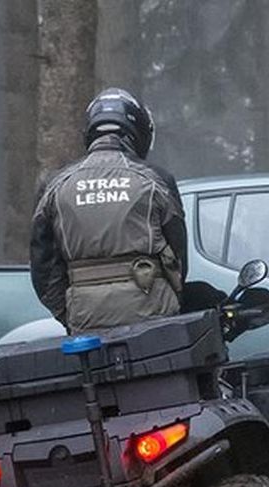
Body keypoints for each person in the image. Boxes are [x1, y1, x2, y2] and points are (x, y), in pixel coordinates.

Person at [30, 88, 187, 334]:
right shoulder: (157, 179)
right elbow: (179, 256)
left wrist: (71, 312)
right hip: (155, 317)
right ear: (140, 132)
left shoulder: (55, 185)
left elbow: (43, 268)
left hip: (85, 320)